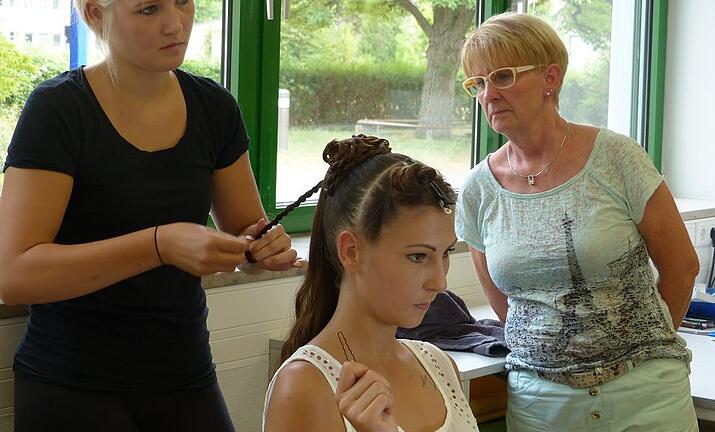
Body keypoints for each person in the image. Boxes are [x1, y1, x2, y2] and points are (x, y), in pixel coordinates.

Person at [0, 0, 298, 429]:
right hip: (71, 383)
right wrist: (159, 245)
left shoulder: (214, 108)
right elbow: (15, 276)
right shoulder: (58, 110)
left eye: (183, 2)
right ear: (95, 14)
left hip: (184, 373)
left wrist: (263, 248)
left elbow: (246, 234)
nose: (175, 24)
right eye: (148, 9)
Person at [456, 12, 701, 432]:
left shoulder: (617, 158)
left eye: (503, 76)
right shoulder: (479, 190)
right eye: (477, 83)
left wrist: (636, 352)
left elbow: (683, 267)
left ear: (551, 78)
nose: (488, 93)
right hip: (540, 404)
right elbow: (503, 302)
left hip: (645, 394)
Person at [262, 135, 479, 432]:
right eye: (417, 256)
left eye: (446, 253)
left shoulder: (440, 366)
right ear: (352, 252)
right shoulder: (304, 387)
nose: (440, 282)